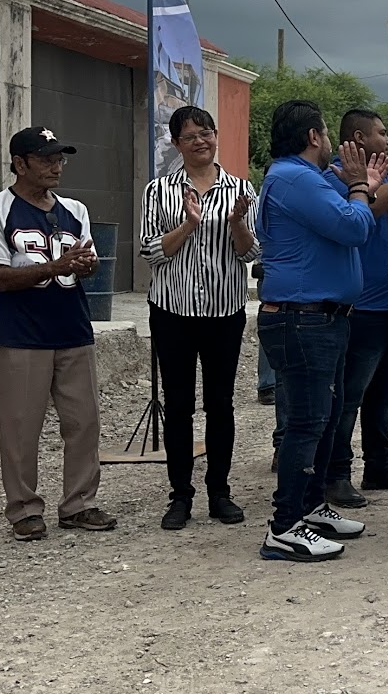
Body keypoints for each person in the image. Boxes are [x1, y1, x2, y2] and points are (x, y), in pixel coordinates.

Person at [0, 126, 116, 542]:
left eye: (59, 158)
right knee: (20, 427)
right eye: (46, 158)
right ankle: (24, 509)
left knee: (84, 422)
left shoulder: (74, 209)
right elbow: (0, 278)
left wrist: (86, 266)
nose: (56, 166)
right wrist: (56, 266)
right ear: (20, 164)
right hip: (19, 333)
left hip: (72, 326)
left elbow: (87, 262)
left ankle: (79, 503)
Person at [255, 100, 385, 562]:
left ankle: (311, 509)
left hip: (320, 316)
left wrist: (360, 188)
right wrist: (360, 188)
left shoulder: (299, 178)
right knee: (306, 422)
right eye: (327, 132)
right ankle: (284, 525)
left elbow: (344, 215)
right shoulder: (294, 177)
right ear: (314, 136)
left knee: (324, 415)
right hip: (302, 316)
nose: (331, 141)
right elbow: (353, 227)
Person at [139, 105, 259, 530]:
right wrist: (189, 225)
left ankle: (219, 492)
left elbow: (249, 254)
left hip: (224, 310)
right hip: (173, 309)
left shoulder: (241, 189)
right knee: (179, 405)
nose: (201, 141)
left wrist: (239, 224)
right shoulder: (159, 191)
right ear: (177, 144)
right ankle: (180, 495)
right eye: (190, 136)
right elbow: (152, 252)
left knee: (221, 404)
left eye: (207, 133)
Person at [321, 109, 388, 508]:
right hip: (360, 307)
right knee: (348, 396)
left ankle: (379, 463)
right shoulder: (332, 178)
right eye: (381, 133)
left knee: (386, 393)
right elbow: (358, 217)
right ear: (358, 138)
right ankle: (336, 473)